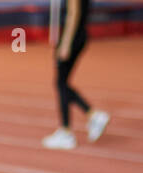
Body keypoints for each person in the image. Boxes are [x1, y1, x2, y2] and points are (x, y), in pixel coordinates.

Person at [41, 0, 110, 150]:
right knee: (62, 83)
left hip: (73, 37)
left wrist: (65, 43)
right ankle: (90, 116)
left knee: (60, 83)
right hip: (77, 35)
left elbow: (74, 13)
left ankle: (69, 130)